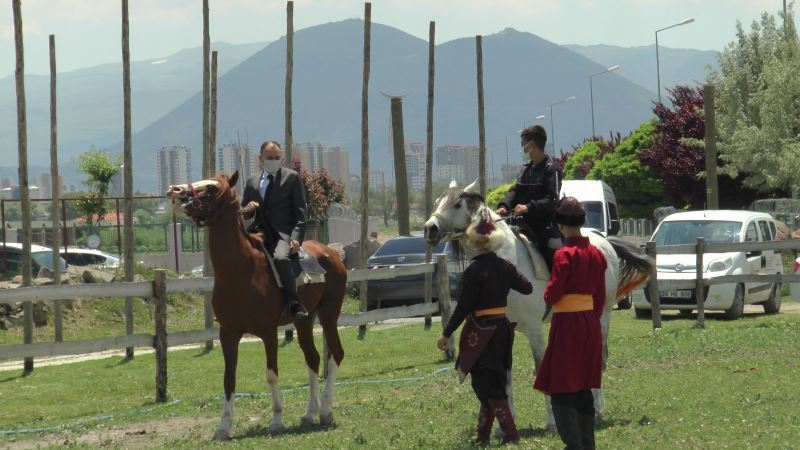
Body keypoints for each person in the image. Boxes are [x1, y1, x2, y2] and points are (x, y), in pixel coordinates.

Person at [437, 214, 533, 445]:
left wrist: (446, 333)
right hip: (502, 329)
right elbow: (528, 288)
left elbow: (463, 308)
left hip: (483, 332)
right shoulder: (506, 267)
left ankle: (511, 435)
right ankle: (482, 436)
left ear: (473, 242)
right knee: (493, 381)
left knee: (485, 383)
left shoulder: (473, 271)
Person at [533, 197, 607, 450]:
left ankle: (573, 445)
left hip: (567, 325)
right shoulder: (597, 254)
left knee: (562, 386)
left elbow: (552, 294)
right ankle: (587, 444)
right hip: (589, 323)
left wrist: (549, 297)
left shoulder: (564, 254)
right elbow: (600, 296)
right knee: (583, 386)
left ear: (560, 225)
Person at [241, 140, 309, 321]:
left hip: (282, 234)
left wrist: (296, 239)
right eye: (270, 157)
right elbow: (245, 214)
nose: (274, 160)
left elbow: (301, 213)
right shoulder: (251, 182)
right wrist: (248, 209)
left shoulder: (292, 178)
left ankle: (293, 303)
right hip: (258, 232)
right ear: (260, 159)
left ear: (282, 158)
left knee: (280, 258)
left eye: (277, 157)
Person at [496, 124, 562, 270]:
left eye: (522, 145)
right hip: (521, 223)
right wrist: (503, 206)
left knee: (557, 257)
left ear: (531, 145)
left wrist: (528, 207)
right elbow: (514, 190)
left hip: (544, 226)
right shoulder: (524, 169)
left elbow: (552, 199)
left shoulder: (552, 169)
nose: (522, 149)